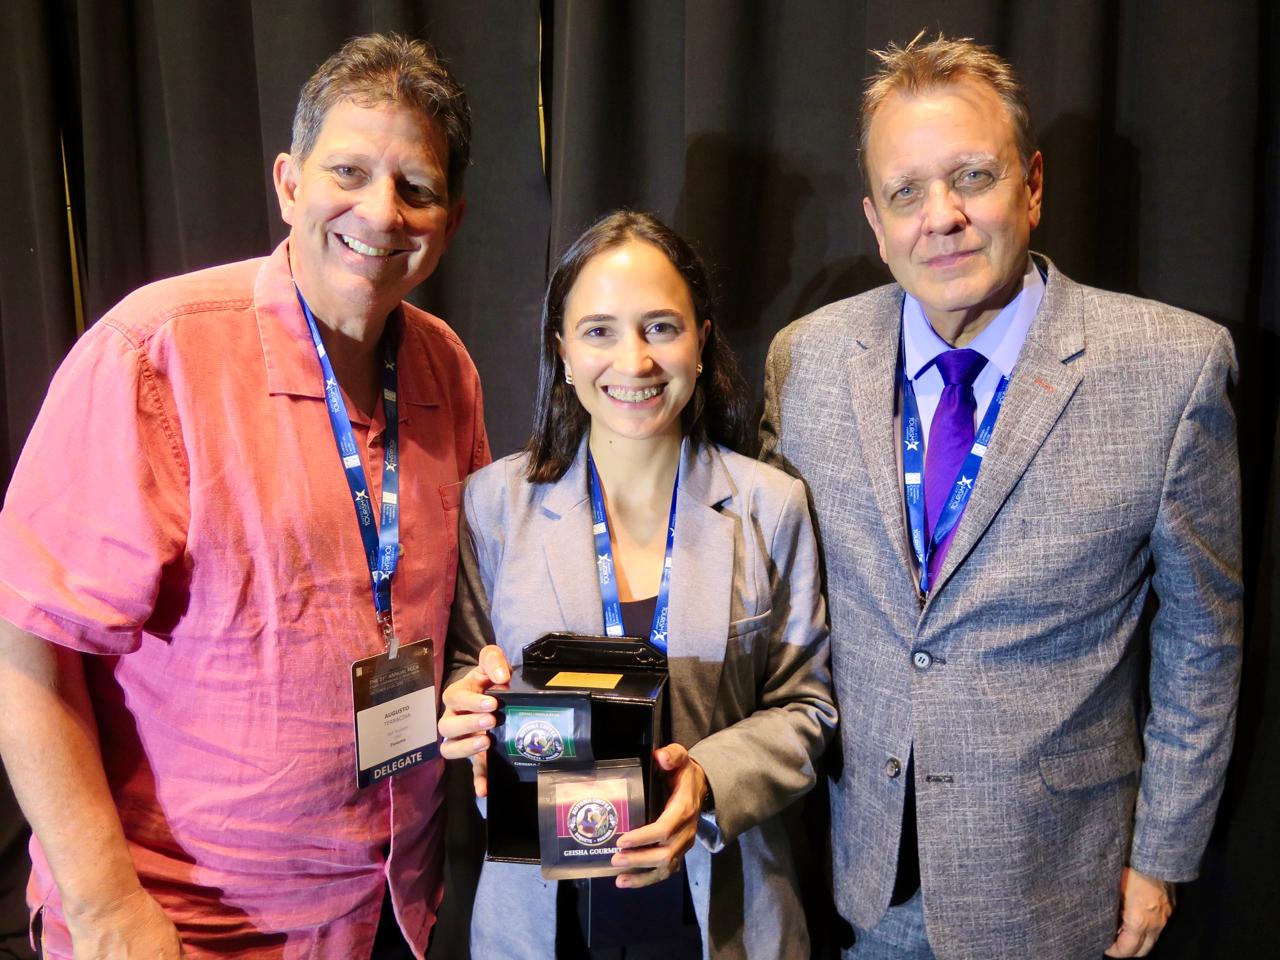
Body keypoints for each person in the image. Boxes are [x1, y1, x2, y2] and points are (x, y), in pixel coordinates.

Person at [0, 33, 487, 959]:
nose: (380, 211)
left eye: (416, 187)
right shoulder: (155, 354)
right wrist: (107, 910)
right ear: (289, 184)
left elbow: (447, 610)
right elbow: (23, 649)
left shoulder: (447, 371)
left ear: (450, 221)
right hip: (187, 927)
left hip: (395, 911)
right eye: (349, 171)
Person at [760, 32, 1242, 960]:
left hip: (1061, 888)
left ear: (1032, 185)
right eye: (906, 193)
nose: (941, 217)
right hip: (863, 877)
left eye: (972, 177)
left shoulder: (1173, 370)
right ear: (875, 222)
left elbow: (1203, 641)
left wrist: (1162, 858)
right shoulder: (805, 361)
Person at [440, 210, 836, 959]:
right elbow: (469, 664)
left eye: (661, 327)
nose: (635, 360)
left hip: (723, 911)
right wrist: (466, 705)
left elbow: (807, 709)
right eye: (599, 331)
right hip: (539, 920)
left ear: (702, 339)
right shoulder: (494, 503)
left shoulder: (771, 505)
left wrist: (707, 780)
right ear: (562, 351)